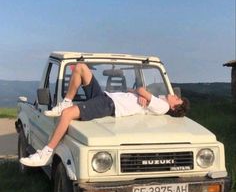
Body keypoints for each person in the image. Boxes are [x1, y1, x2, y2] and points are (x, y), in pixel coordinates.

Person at [20, 62, 189, 167]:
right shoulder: (159, 102)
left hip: (109, 105)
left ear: (174, 108)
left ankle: (46, 153)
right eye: (177, 96)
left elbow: (140, 89)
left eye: (177, 99)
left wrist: (142, 92)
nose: (175, 95)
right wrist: (140, 94)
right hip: (105, 97)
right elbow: (134, 90)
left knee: (66, 115)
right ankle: (66, 100)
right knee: (80, 68)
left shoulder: (163, 106)